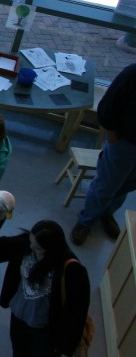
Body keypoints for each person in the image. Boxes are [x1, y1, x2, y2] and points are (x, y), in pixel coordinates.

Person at [0, 220, 90, 356]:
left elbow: (77, 313)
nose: (31, 247)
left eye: (37, 248)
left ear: (51, 250)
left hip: (45, 329)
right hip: (20, 315)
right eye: (31, 241)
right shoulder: (28, 243)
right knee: (19, 350)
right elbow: (1, 247)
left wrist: (63, 347)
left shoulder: (72, 271)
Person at [72, 62, 136, 245]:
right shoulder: (132, 73)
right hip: (125, 143)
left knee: (128, 184)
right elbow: (109, 105)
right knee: (106, 185)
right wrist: (113, 137)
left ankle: (106, 214)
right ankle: (86, 220)